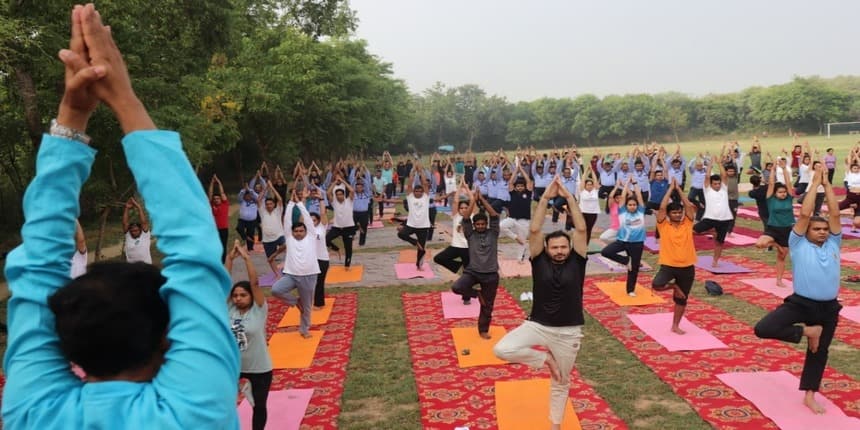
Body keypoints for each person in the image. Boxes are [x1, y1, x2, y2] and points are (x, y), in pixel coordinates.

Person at [3, 5, 239, 427]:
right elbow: (195, 249)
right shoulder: (192, 412)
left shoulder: (31, 415)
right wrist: (115, 100)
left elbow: (192, 252)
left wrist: (76, 114)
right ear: (169, 338)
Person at [493, 176, 588, 430]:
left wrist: (569, 198)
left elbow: (581, 230)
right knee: (501, 349)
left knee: (561, 380)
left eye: (562, 247)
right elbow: (534, 230)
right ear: (546, 248)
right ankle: (544, 359)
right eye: (554, 247)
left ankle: (555, 425)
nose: (559, 251)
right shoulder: (539, 260)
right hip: (537, 325)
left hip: (568, 332)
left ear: (569, 248)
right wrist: (545, 198)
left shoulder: (577, 261)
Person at [753, 165, 842, 415]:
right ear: (808, 232)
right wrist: (814, 183)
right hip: (801, 303)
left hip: (828, 307)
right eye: (818, 229)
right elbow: (804, 215)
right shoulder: (798, 243)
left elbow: (834, 214)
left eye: (825, 229)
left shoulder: (834, 242)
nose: (823, 232)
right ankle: (807, 331)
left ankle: (810, 395)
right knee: (763, 328)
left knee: (818, 351)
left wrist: (827, 185)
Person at [226, 241, 273, 430]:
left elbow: (254, 282)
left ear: (252, 297)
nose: (238, 298)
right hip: (233, 366)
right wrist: (230, 258)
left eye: (243, 295)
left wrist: (246, 258)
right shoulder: (229, 308)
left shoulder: (259, 309)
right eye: (235, 295)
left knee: (259, 407)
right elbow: (224, 282)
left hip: (259, 367)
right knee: (223, 404)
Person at [450, 188, 502, 338]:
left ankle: (483, 330)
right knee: (457, 287)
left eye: (482, 224)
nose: (480, 226)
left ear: (486, 224)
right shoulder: (470, 234)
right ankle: (477, 294)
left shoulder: (493, 233)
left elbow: (494, 215)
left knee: (487, 306)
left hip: (491, 274)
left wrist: (483, 200)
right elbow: (465, 218)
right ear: (474, 225)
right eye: (477, 224)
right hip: (473, 271)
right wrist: (473, 200)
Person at [270, 190, 320, 338]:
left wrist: (299, 203)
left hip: (309, 276)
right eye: (296, 231)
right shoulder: (289, 238)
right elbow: (287, 221)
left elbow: (308, 221)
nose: (298, 232)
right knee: (276, 290)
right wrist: (291, 203)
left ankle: (304, 330)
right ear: (292, 232)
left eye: (301, 230)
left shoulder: (311, 236)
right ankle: (295, 301)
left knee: (307, 308)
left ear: (306, 231)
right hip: (291, 275)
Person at [652, 178, 698, 334]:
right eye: (674, 212)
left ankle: (675, 325)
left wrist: (680, 190)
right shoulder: (663, 225)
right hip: (669, 266)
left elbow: (689, 207)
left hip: (687, 266)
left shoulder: (687, 223)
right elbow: (662, 207)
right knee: (657, 285)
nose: (678, 214)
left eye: (679, 212)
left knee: (682, 299)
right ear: (669, 214)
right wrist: (670, 190)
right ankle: (674, 286)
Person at [600, 178, 646, 297]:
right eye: (630, 205)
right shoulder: (622, 212)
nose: (632, 206)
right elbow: (623, 197)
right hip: (622, 242)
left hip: (637, 243)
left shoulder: (640, 212)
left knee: (633, 269)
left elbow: (639, 196)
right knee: (606, 252)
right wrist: (625, 184)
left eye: (634, 205)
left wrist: (634, 183)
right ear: (626, 206)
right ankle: (626, 261)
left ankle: (630, 290)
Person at [754, 162, 795, 287]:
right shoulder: (770, 200)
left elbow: (789, 184)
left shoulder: (789, 198)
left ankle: (779, 280)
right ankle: (776, 244)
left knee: (782, 256)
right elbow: (771, 183)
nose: (783, 194)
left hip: (787, 229)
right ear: (775, 194)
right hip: (773, 229)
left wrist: (784, 169)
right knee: (760, 244)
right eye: (780, 192)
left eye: (784, 192)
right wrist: (772, 170)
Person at [434, 183, 472, 304]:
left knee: (467, 275)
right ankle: (457, 266)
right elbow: (455, 202)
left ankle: (466, 298)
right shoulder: (456, 217)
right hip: (455, 246)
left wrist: (466, 188)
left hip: (467, 249)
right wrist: (460, 186)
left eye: (466, 208)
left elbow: (472, 200)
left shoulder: (472, 216)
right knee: (438, 258)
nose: (464, 210)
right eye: (462, 208)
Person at [692, 157, 734, 267]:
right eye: (715, 184)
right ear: (711, 184)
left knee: (720, 242)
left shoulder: (724, 189)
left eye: (718, 183)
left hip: (724, 219)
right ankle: (711, 232)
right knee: (692, 231)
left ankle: (715, 261)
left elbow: (724, 176)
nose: (717, 185)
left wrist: (720, 163)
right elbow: (707, 177)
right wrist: (710, 165)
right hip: (710, 218)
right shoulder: (707, 190)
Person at [395, 167, 432, 269]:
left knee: (422, 249)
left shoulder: (426, 198)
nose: (419, 192)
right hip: (411, 224)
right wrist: (412, 173)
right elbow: (410, 185)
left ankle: (419, 266)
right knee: (401, 234)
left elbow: (425, 184)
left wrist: (421, 172)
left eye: (420, 191)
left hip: (423, 226)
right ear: (414, 192)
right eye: (417, 191)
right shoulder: (410, 198)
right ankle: (415, 242)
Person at [326, 176, 357, 269]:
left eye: (341, 194)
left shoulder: (349, 201)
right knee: (326, 240)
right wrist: (335, 182)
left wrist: (343, 181)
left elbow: (352, 191)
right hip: (337, 227)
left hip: (349, 228)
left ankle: (347, 265)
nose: (339, 196)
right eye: (337, 195)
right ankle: (337, 249)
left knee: (348, 248)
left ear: (343, 195)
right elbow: (328, 192)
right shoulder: (334, 202)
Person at [257, 180, 285, 274]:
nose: (269, 205)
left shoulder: (278, 211)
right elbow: (258, 200)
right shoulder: (262, 211)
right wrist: (265, 188)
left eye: (270, 204)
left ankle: (275, 254)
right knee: (270, 259)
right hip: (267, 239)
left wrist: (272, 187)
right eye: (267, 204)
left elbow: (280, 199)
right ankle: (277, 274)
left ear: (274, 205)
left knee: (286, 246)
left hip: (279, 235)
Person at [310, 207, 330, 309]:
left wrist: (321, 199)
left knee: (319, 282)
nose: (312, 222)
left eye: (314, 220)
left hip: (322, 259)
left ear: (318, 221)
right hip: (310, 259)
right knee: (310, 282)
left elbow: (323, 213)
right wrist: (303, 200)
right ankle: (309, 300)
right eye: (310, 220)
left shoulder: (322, 227)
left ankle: (319, 303)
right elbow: (301, 218)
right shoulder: (305, 230)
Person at [122, 197, 152, 264]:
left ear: (140, 230)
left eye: (136, 230)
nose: (134, 232)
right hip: (132, 268)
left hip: (145, 267)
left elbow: (143, 222)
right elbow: (125, 223)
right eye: (132, 231)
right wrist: (127, 208)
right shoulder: (128, 235)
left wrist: (139, 207)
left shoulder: (145, 235)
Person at [209, 174, 230, 262]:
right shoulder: (211, 205)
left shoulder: (225, 204)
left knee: (223, 245)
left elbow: (222, 193)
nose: (216, 200)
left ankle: (223, 262)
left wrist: (218, 181)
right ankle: (216, 260)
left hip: (224, 229)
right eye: (215, 199)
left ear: (221, 199)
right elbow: (210, 193)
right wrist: (212, 183)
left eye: (218, 198)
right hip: (214, 230)